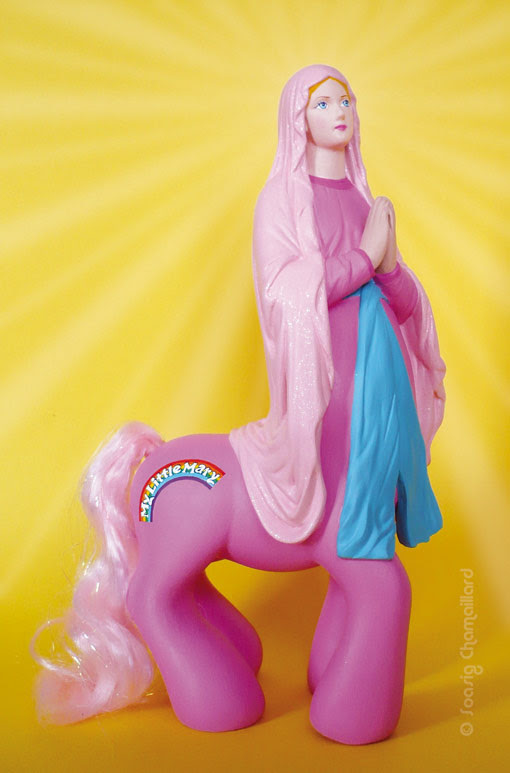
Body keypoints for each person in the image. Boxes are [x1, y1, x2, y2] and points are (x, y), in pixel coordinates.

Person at [230, 63, 445, 555]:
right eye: (323, 103)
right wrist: (365, 258)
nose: (339, 111)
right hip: (332, 372)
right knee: (345, 485)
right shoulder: (281, 200)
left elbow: (404, 308)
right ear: (298, 118)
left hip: (384, 368)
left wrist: (389, 266)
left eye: (345, 100)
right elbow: (282, 292)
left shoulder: (364, 200)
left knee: (386, 474)